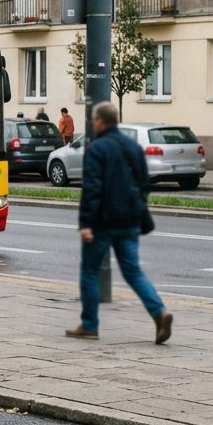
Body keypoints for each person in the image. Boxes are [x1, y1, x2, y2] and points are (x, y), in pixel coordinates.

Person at [67, 101, 173, 344]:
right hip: (130, 220)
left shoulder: (96, 149)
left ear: (99, 122)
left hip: (102, 222)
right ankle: (159, 312)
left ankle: (89, 325)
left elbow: (92, 188)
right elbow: (144, 183)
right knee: (133, 271)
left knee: (89, 270)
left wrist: (86, 223)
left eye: (94, 120)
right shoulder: (133, 147)